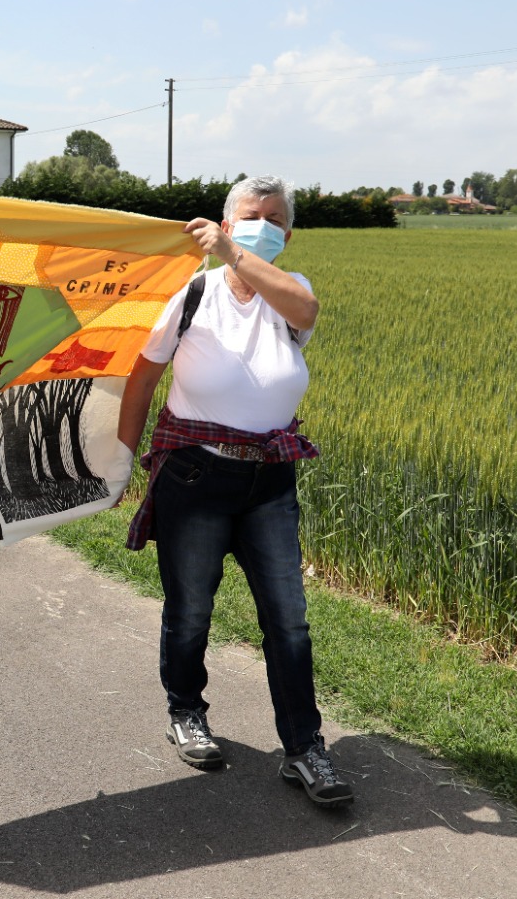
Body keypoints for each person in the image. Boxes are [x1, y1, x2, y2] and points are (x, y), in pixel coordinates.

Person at [116, 174, 353, 806]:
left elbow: (306, 314)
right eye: (252, 215)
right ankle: (186, 711)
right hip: (195, 474)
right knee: (191, 609)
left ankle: (304, 749)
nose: (264, 226)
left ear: (289, 235)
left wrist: (234, 253)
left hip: (270, 479)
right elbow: (142, 380)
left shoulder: (290, 293)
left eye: (275, 220)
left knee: (290, 622)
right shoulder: (193, 293)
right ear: (224, 223)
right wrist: (120, 460)